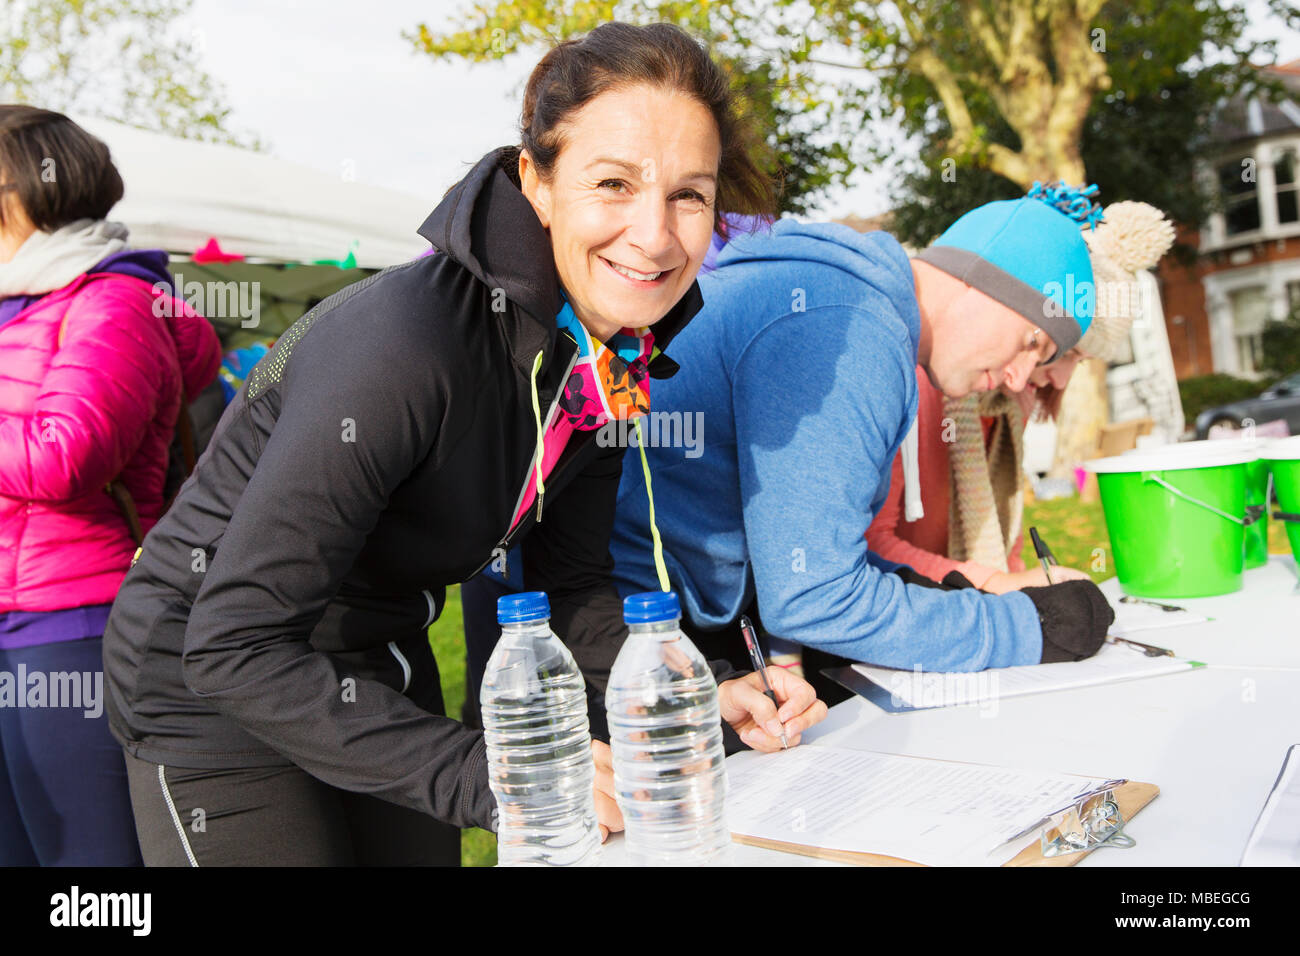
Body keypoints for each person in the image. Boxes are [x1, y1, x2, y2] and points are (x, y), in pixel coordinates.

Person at [102, 22, 826, 867]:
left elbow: (571, 582)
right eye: (614, 183)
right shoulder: (406, 347)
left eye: (688, 195)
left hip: (370, 659)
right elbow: (234, 644)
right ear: (538, 183)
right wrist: (490, 775)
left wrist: (693, 696)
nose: (656, 235)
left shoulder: (608, 354)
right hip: (209, 678)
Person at [606, 184, 1123, 698]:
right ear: (980, 281)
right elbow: (815, 598)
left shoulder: (844, 298)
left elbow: (813, 559)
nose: (1019, 378)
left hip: (653, 617)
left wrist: (951, 590)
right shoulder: (849, 326)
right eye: (1033, 341)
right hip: (620, 641)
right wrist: (1028, 626)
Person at [0, 106, 221, 865]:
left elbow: (66, 457)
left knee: (91, 865)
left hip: (70, 623)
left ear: (24, 190)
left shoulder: (112, 300)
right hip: (10, 610)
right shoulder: (18, 299)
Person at [867, 201, 1176, 594]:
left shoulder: (1008, 404)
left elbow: (1006, 549)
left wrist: (1026, 587)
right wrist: (999, 585)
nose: (1061, 379)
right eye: (1062, 352)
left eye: (1081, 364)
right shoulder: (926, 380)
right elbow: (871, 544)